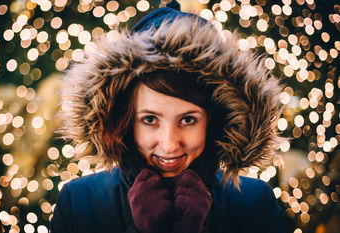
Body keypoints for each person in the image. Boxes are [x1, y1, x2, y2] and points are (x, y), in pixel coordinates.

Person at [50, 1, 285, 232]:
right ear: (125, 119)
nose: (169, 144)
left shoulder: (255, 203)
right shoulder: (79, 203)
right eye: (150, 119)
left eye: (188, 119)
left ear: (213, 121)